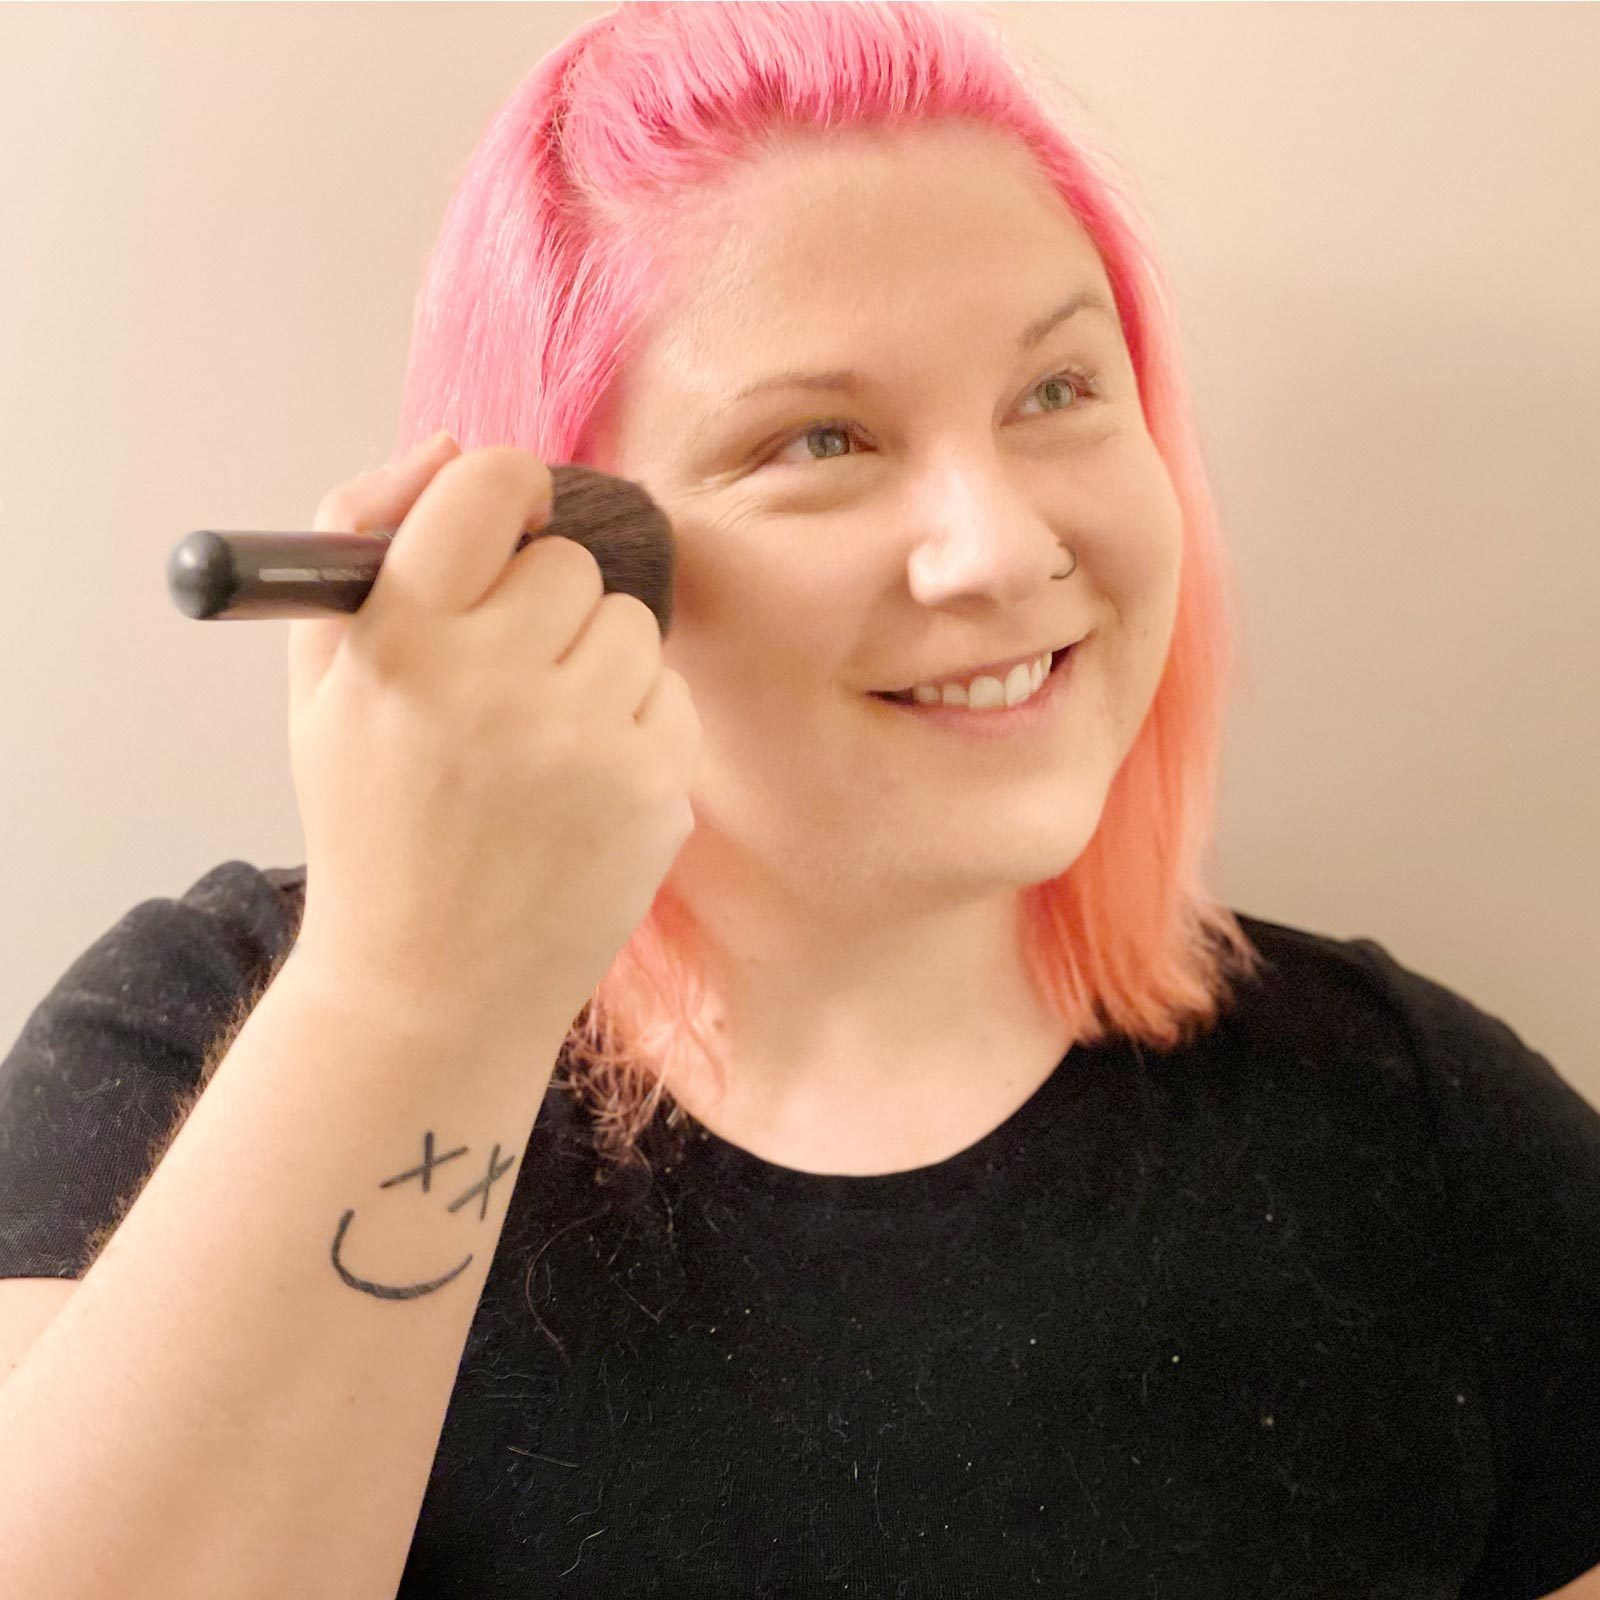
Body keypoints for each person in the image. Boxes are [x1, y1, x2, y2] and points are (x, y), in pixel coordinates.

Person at [2, 5, 1598, 1597]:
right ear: (565, 542)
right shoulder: (191, 1051)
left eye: (1057, 392)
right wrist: (417, 987)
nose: (998, 547)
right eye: (821, 438)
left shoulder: (1435, 1142)